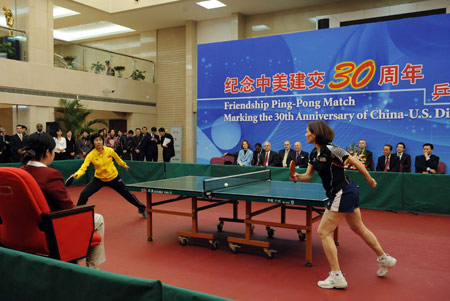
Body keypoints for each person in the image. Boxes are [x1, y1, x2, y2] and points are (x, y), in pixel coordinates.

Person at [291, 120, 396, 289]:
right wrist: (297, 176)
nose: (305, 134)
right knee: (358, 228)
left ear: (315, 134)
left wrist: (369, 179)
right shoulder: (313, 154)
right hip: (345, 192)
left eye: (307, 131)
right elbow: (308, 176)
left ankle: (336, 275)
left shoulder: (333, 149)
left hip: (343, 191)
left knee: (324, 232)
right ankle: (385, 259)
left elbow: (356, 162)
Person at [21, 133, 105, 269]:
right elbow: (67, 207)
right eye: (53, 151)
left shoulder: (21, 172)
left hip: (26, 228)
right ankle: (93, 269)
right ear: (47, 152)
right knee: (99, 219)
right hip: (53, 227)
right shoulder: (51, 175)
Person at [72, 133, 147, 218]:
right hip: (99, 179)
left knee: (127, 194)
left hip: (113, 178)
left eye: (100, 140)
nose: (99, 142)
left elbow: (117, 159)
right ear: (93, 142)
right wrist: (77, 175)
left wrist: (124, 165)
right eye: (96, 140)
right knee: (84, 194)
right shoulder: (91, 155)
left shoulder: (109, 150)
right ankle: (77, 213)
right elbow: (83, 168)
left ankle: (142, 208)